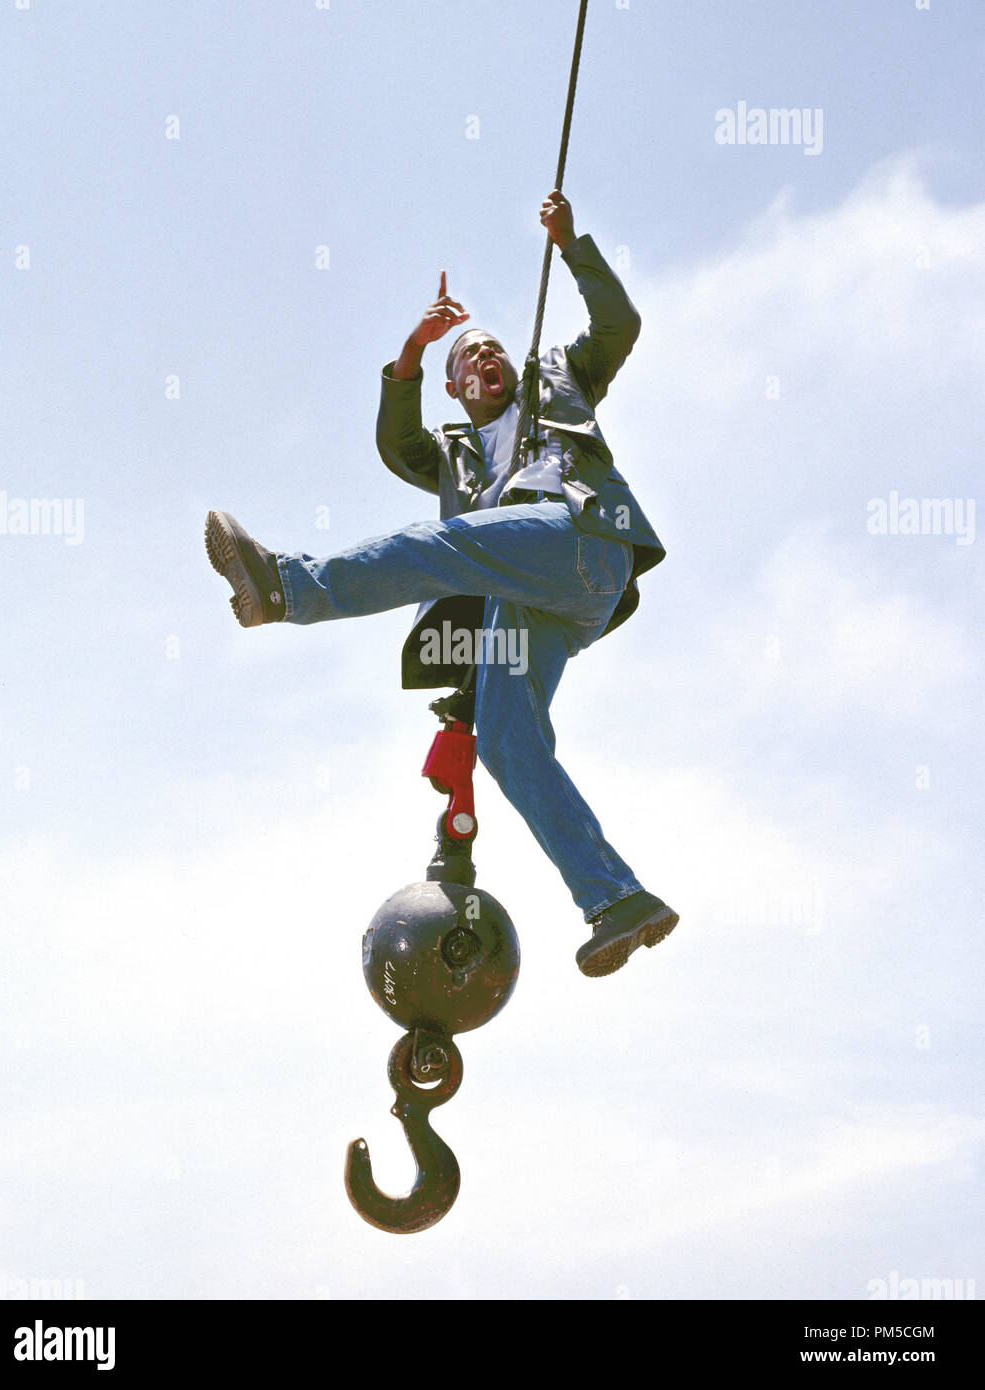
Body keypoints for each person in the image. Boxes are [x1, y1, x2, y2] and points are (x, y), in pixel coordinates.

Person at [205, 190, 678, 977]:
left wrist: (570, 245)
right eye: (467, 360)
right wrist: (415, 349)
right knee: (506, 742)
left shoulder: (558, 381)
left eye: (491, 349)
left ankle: (290, 587)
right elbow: (397, 443)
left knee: (442, 546)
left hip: (584, 543)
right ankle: (615, 898)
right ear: (455, 387)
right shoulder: (453, 456)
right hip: (538, 604)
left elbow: (617, 326)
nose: (483, 359)